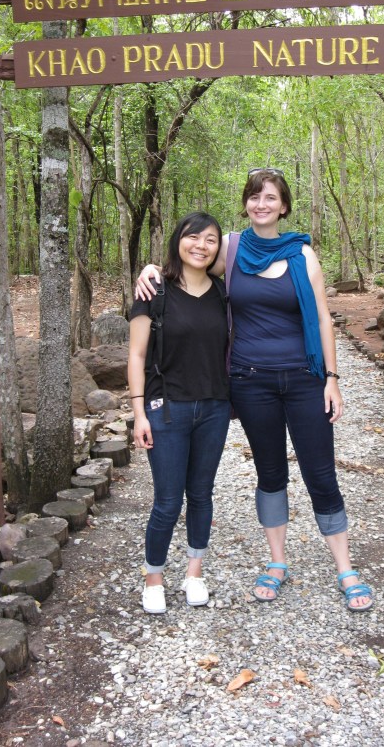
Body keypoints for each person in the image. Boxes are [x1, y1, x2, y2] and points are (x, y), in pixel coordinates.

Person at [137, 169, 373, 612]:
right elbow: (189, 261)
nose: (261, 204)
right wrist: (150, 269)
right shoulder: (232, 247)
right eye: (254, 197)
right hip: (249, 381)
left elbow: (323, 319)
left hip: (304, 378)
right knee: (270, 473)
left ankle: (345, 567)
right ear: (245, 203)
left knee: (320, 473)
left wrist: (333, 379)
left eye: (270, 198)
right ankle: (277, 562)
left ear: (283, 206)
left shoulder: (304, 256)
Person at [128, 212, 231, 615]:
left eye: (211, 240)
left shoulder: (224, 293)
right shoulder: (154, 289)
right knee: (168, 501)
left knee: (202, 494)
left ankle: (194, 573)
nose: (201, 246)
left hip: (214, 408)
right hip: (166, 408)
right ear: (178, 240)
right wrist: (139, 414)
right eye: (193, 237)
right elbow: (136, 355)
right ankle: (154, 577)